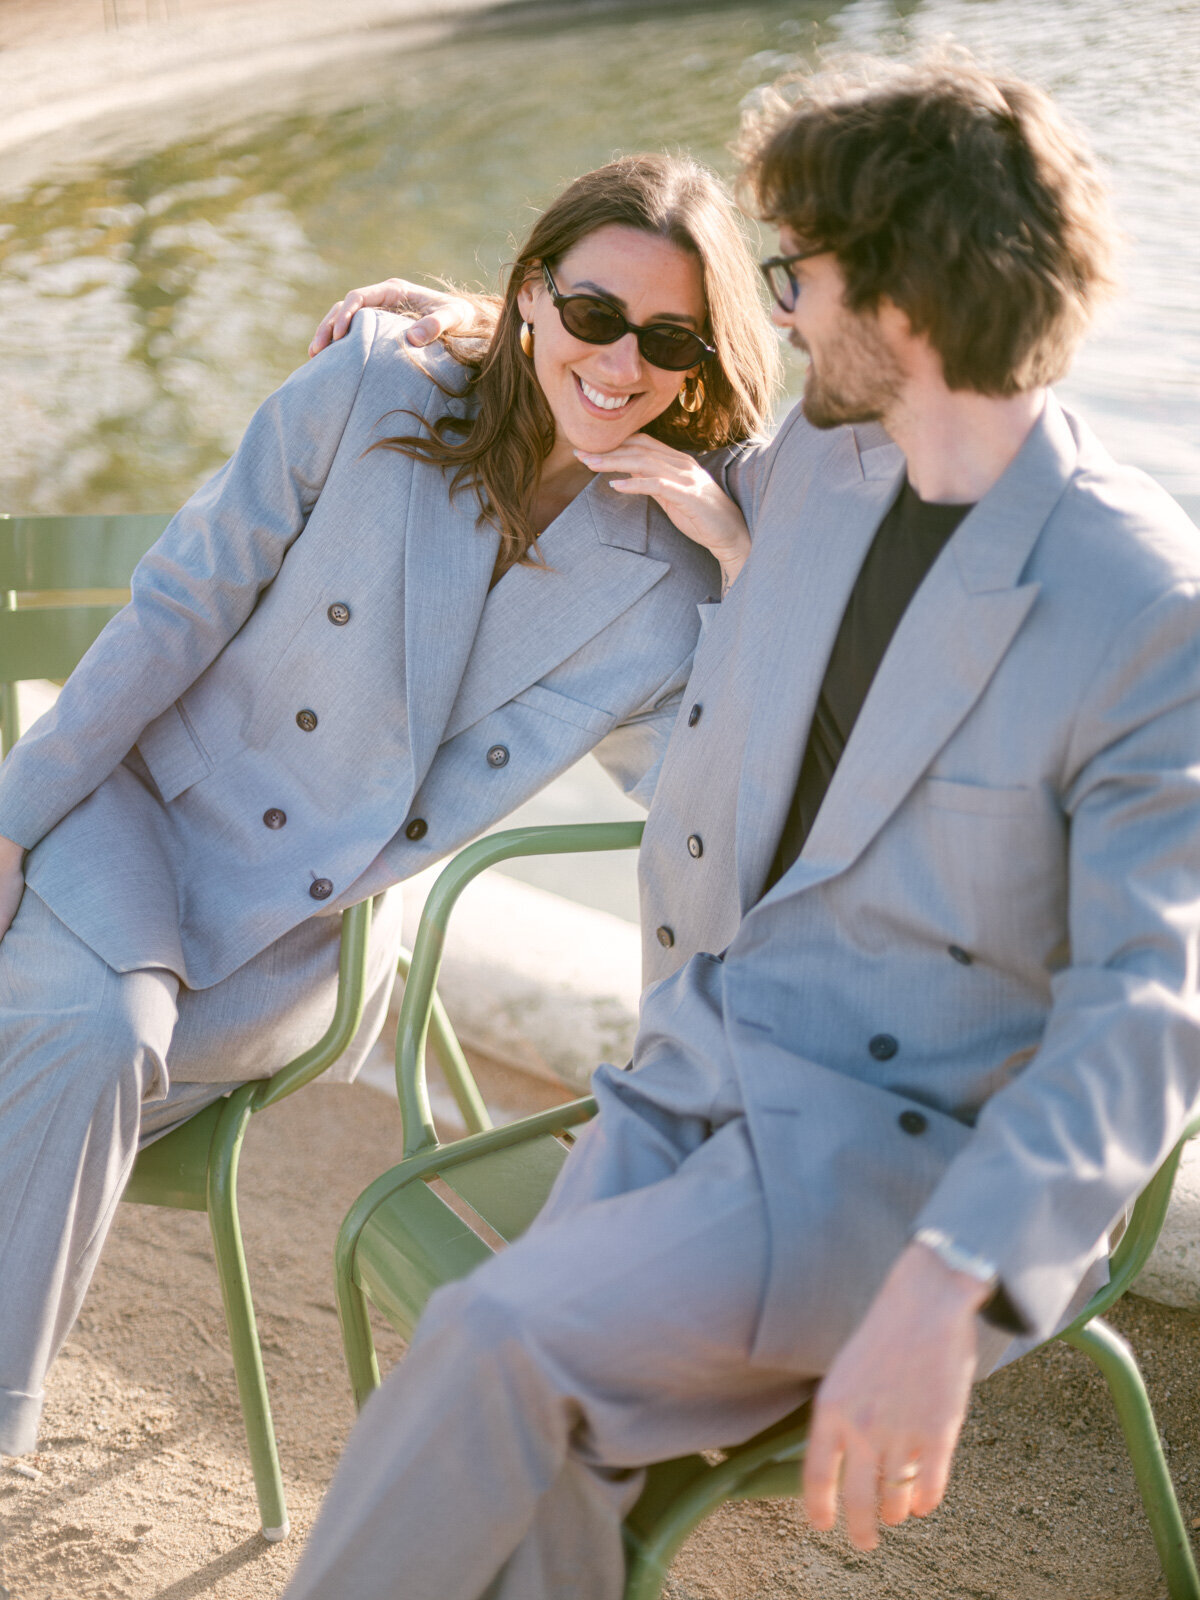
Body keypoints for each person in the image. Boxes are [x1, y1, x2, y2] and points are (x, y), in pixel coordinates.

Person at [280, 52, 1200, 1600]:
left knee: (496, 1339)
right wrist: (477, 317)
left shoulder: (1140, 600)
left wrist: (949, 1282)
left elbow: (1150, 1007)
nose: (781, 315)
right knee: (544, 1455)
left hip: (895, 1170)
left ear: (902, 299)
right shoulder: (828, 464)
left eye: (797, 276)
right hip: (696, 1071)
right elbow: (636, 405)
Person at [0, 153, 783, 1473]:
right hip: (141, 813)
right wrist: (16, 817)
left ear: (703, 359)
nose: (620, 361)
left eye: (667, 338)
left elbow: (710, 804)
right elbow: (176, 609)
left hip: (312, 930)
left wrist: (746, 567)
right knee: (84, 1033)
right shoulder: (373, 386)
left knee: (79, 1043)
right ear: (531, 291)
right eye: (592, 314)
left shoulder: (670, 582)